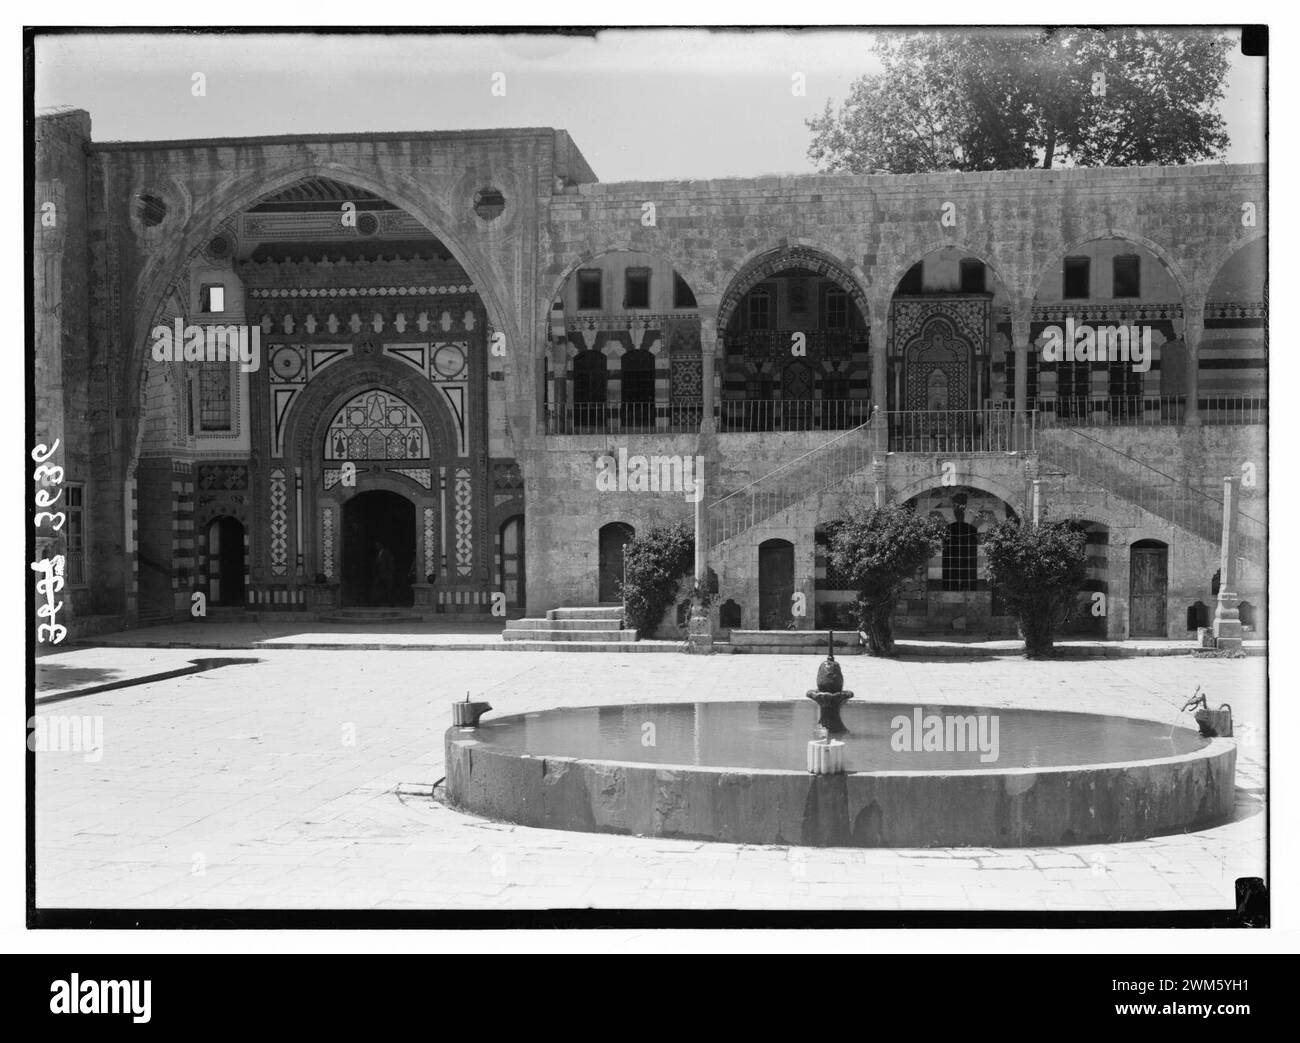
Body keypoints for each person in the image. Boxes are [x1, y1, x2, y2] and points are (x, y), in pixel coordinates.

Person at [370, 540, 395, 606]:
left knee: (388, 588)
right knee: (376, 588)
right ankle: (375, 602)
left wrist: (390, 573)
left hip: (386, 574)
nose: (377, 546)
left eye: (378, 545)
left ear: (381, 545)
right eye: (376, 545)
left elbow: (390, 563)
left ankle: (391, 603)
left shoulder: (387, 553)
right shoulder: (377, 553)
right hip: (379, 574)